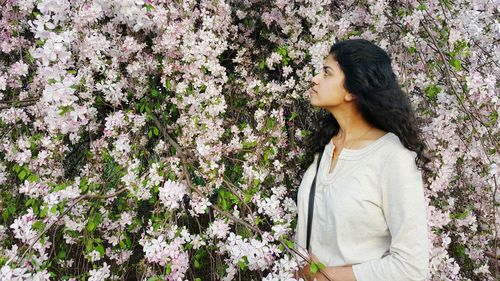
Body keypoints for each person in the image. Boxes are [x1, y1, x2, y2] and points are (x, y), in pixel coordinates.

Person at [293, 39, 431, 281]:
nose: (315, 79)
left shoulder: (392, 158)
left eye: (327, 73)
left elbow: (412, 267)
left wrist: (328, 276)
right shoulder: (325, 149)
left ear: (352, 91)